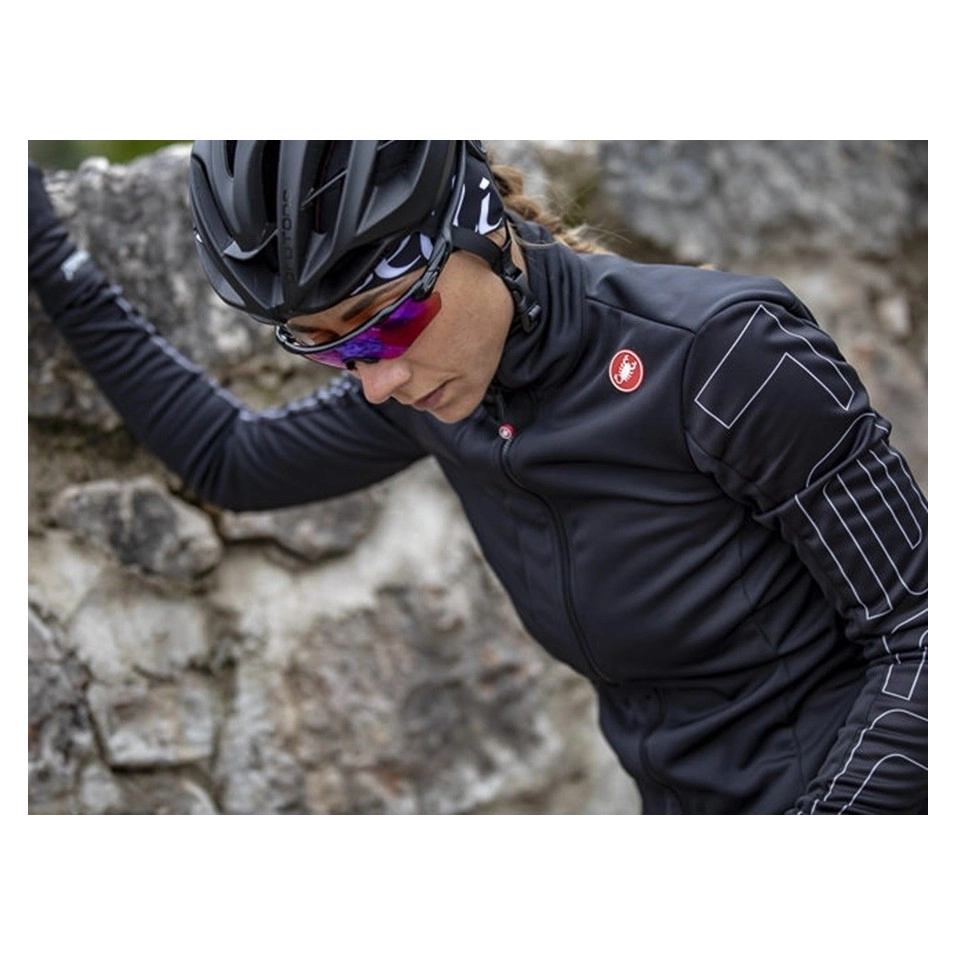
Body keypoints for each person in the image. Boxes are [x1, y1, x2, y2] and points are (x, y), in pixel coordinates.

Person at [28, 141, 928, 814]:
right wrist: (45, 254)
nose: (376, 378)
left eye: (385, 320)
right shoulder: (437, 394)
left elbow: (922, 637)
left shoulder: (727, 355)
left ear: (480, 226)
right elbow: (231, 460)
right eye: (328, 348)